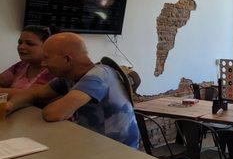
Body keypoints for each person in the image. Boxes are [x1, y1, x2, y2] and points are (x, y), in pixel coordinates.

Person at [6, 33, 140, 148]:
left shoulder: (98, 76)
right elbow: (34, 93)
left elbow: (54, 114)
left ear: (67, 60)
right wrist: (8, 107)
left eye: (46, 58)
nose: (43, 64)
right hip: (90, 143)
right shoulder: (69, 76)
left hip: (116, 150)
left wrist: (46, 105)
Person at [0, 26, 55, 95]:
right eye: (20, 43)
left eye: (29, 44)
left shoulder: (53, 71)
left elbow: (30, 95)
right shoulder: (21, 65)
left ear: (46, 46)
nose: (21, 47)